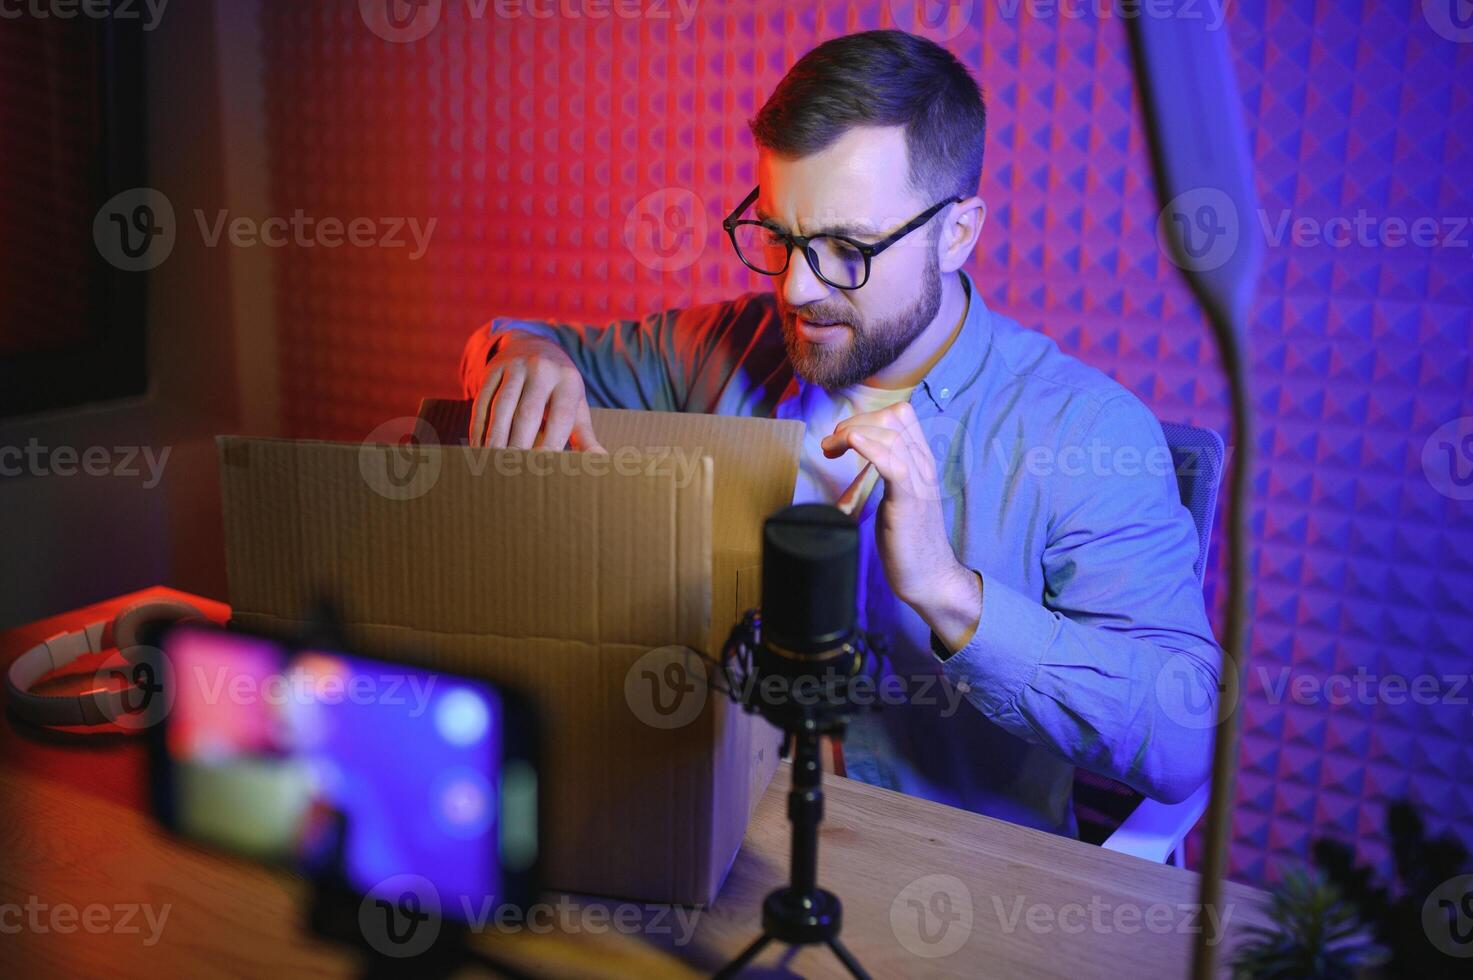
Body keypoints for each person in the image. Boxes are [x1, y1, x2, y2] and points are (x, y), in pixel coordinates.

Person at [459, 29, 1220, 838]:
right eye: (780, 238)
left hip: (938, 883)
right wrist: (518, 352)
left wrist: (947, 592)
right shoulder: (734, 346)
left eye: (846, 249)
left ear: (956, 234)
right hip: (716, 828)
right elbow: (525, 346)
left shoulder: (1084, 431)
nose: (795, 287)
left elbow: (1183, 740)